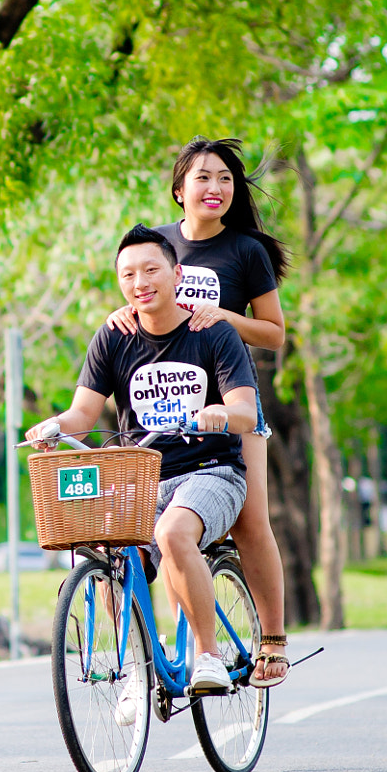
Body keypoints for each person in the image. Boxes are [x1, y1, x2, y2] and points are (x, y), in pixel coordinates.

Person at [31, 225, 272, 721]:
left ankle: (207, 656)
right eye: (128, 274)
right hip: (142, 476)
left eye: (150, 269)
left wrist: (220, 415)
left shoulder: (213, 333)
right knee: (108, 550)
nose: (140, 281)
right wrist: (54, 425)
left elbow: (246, 411)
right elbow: (82, 413)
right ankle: (136, 671)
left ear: (176, 274)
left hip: (213, 471)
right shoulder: (113, 337)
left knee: (172, 531)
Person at [105, 137, 289, 686]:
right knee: (157, 532)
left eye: (227, 179)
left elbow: (275, 334)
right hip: (162, 408)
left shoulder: (245, 251)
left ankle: (272, 641)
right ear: (179, 188)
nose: (217, 188)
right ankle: (159, 647)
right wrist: (123, 310)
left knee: (250, 521)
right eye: (204, 178)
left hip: (228, 403)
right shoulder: (155, 244)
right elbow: (142, 294)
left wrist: (220, 316)